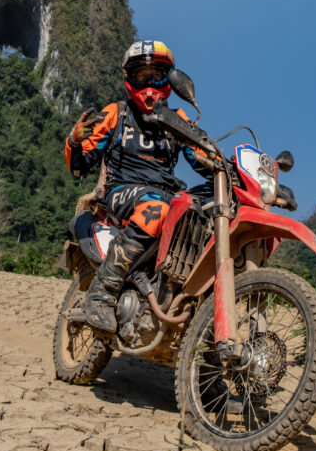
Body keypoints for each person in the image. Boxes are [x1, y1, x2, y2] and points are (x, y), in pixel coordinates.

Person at [64, 39, 215, 332]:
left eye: (156, 75)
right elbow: (79, 166)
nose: (149, 83)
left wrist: (227, 168)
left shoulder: (179, 120)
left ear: (169, 80)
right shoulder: (117, 113)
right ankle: (102, 292)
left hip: (167, 195)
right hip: (122, 192)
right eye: (140, 76)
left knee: (204, 216)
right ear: (128, 79)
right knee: (156, 207)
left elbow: (202, 157)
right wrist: (74, 141)